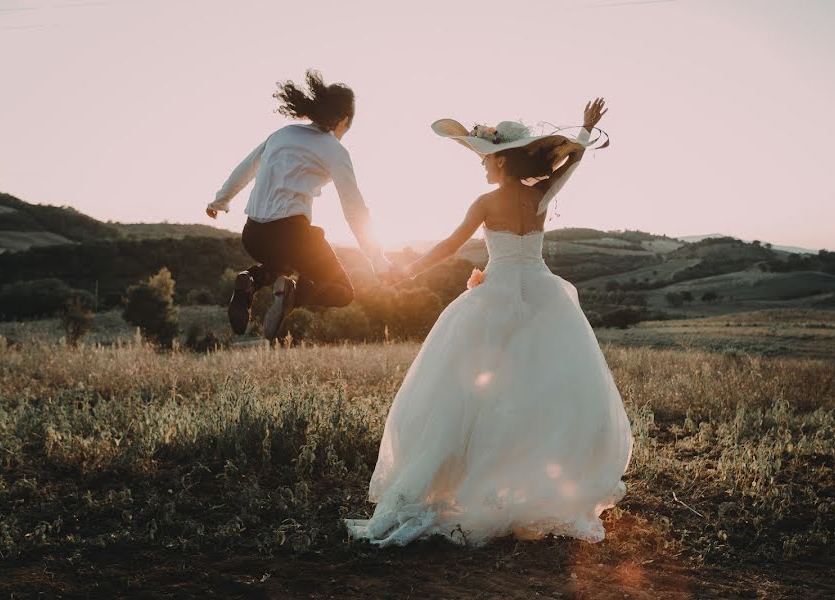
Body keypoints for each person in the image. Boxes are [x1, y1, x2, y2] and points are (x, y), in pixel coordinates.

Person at [345, 99, 634, 547]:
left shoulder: (485, 201)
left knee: (472, 392)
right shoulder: (540, 195)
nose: (481, 165)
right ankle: (524, 484)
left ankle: (466, 484)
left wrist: (406, 272)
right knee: (535, 388)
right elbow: (573, 163)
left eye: (484, 158)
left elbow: (449, 245)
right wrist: (585, 130)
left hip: (498, 293)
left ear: (500, 159)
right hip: (540, 292)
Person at [205, 69, 392, 340]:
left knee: (286, 261)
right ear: (343, 120)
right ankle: (293, 295)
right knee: (342, 292)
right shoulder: (335, 150)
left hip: (253, 235)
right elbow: (354, 209)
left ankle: (252, 280)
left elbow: (247, 167)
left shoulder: (283, 134)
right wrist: (376, 257)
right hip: (291, 235)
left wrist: (220, 201)